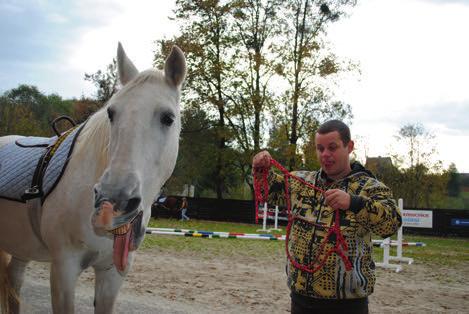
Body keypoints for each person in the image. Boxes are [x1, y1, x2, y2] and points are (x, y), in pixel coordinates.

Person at [252, 119, 402, 314]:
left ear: (349, 147)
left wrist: (353, 203)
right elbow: (266, 192)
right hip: (301, 299)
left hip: (347, 305)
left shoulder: (369, 187)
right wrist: (260, 167)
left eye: (332, 148)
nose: (325, 155)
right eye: (320, 148)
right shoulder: (302, 182)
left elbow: (391, 224)